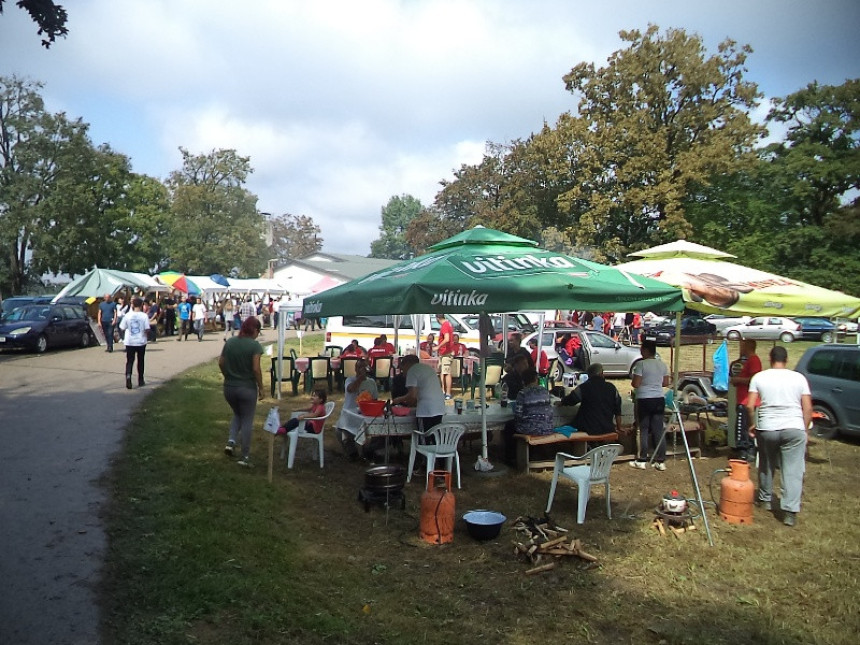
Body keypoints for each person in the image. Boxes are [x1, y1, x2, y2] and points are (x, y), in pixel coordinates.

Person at [747, 346, 812, 527]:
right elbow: (807, 408)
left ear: (770, 358)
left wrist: (753, 423)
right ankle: (790, 511)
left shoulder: (760, 377)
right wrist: (804, 429)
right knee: (792, 470)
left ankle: (765, 499)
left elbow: (750, 406)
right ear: (787, 359)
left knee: (766, 463)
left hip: (768, 427)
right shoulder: (799, 378)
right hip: (794, 427)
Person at [219, 316, 265, 467]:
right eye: (259, 330)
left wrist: (227, 375)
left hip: (229, 387)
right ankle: (245, 456)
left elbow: (221, 362)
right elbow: (256, 368)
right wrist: (261, 387)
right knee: (247, 420)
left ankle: (231, 442)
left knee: (237, 414)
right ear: (255, 330)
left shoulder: (230, 342)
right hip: (247, 388)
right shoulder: (255, 346)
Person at [629, 340, 670, 471]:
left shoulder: (641, 364)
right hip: (659, 398)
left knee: (644, 429)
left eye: (641, 349)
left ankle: (642, 459)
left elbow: (635, 384)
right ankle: (661, 460)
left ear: (646, 350)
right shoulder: (662, 365)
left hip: (644, 398)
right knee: (658, 429)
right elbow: (665, 383)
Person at [503, 368, 554, 464]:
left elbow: (518, 415)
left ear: (523, 381)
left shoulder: (522, 393)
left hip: (529, 428)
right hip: (547, 427)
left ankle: (510, 457)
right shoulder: (545, 391)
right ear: (536, 379)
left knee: (509, 426)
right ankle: (536, 452)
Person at [562, 363, 623, 436]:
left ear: (589, 375)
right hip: (607, 428)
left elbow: (571, 400)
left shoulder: (584, 387)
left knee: (563, 429)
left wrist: (561, 402)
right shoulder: (612, 388)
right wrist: (619, 427)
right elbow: (618, 409)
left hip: (586, 427)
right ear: (602, 373)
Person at [390, 354, 446, 433]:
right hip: (439, 407)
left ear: (407, 364)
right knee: (434, 435)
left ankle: (424, 445)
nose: (403, 372)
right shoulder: (427, 368)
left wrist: (398, 399)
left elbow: (412, 395)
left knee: (424, 435)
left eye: (403, 369)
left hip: (426, 410)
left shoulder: (412, 371)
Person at [335, 358, 378, 459]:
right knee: (340, 431)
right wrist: (360, 378)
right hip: (350, 413)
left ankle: (368, 452)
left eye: (364, 367)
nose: (361, 369)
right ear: (355, 369)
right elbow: (351, 389)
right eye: (359, 367)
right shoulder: (350, 380)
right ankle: (352, 452)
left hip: (366, 413)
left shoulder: (371, 382)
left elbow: (375, 399)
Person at [731, 339, 762, 461]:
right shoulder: (749, 361)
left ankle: (745, 451)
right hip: (743, 400)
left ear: (748, 347)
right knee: (744, 426)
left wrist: (738, 380)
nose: (740, 349)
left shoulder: (754, 360)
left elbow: (754, 379)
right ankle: (746, 450)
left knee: (743, 427)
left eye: (742, 346)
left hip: (747, 401)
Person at [119, 297, 149, 390]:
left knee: (130, 361)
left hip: (130, 341)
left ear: (133, 305)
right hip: (140, 341)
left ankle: (128, 376)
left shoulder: (128, 315)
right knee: (140, 360)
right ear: (141, 305)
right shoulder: (144, 316)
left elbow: (122, 327)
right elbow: (147, 328)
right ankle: (140, 379)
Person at [436, 313, 455, 400]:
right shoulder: (448, 324)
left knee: (446, 373)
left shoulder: (445, 325)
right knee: (442, 372)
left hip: (446, 353)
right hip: (443, 353)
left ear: (437, 318)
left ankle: (448, 393)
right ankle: (442, 391)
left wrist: (438, 347)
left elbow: (447, 339)